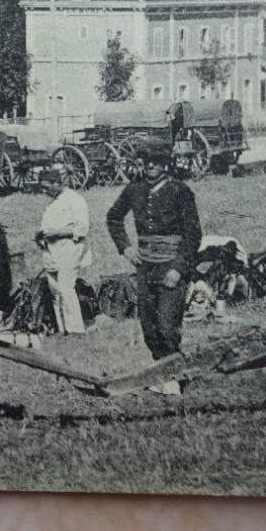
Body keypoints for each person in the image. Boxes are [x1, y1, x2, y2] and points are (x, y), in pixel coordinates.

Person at [105, 143, 202, 394]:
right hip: (145, 268)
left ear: (166, 163)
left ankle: (172, 379)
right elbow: (113, 217)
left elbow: (193, 234)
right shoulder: (134, 189)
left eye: (156, 161)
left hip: (171, 266)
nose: (150, 165)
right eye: (146, 161)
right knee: (149, 326)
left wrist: (179, 269)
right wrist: (126, 247)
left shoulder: (180, 191)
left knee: (167, 325)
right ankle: (162, 373)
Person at [33, 165, 92, 334]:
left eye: (46, 187)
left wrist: (56, 232)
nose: (44, 192)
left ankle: (76, 330)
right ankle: (62, 329)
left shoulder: (75, 200)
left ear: (57, 182)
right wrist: (40, 236)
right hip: (51, 250)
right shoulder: (54, 203)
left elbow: (82, 229)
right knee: (55, 291)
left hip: (70, 248)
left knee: (66, 288)